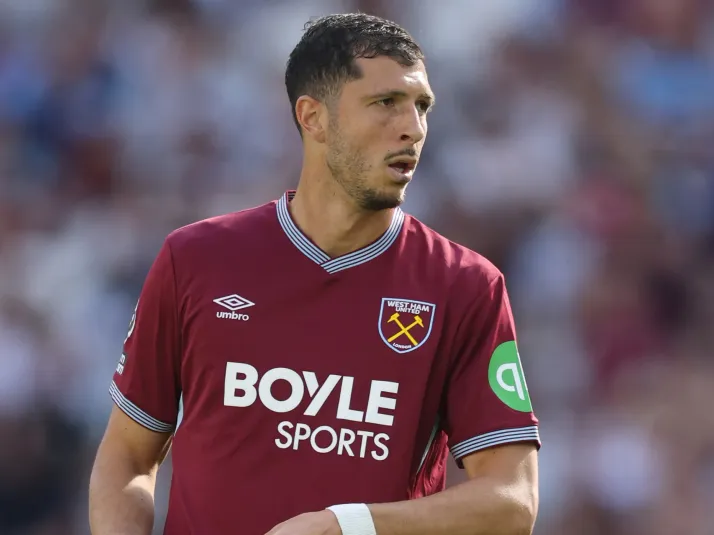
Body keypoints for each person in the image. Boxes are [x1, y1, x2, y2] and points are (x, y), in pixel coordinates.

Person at [88, 13, 540, 535]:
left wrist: (349, 525)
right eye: (385, 103)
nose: (413, 129)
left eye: (422, 106)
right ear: (313, 117)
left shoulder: (464, 287)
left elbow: (512, 501)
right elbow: (127, 456)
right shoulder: (196, 260)